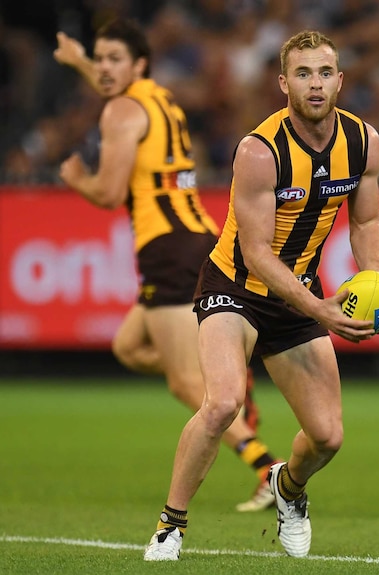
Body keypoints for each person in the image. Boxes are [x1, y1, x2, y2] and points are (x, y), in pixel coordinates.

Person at [142, 29, 379, 561]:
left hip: (298, 291)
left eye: (325, 72)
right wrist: (321, 310)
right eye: (303, 74)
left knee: (327, 437)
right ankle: (171, 526)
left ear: (341, 80)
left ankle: (288, 489)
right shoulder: (260, 150)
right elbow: (256, 252)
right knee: (223, 404)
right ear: (283, 83)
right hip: (235, 287)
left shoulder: (363, 141)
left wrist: (375, 280)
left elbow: (367, 220)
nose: (316, 84)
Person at [54, 19, 282, 513]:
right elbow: (116, 87)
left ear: (137, 65)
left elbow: (110, 192)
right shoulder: (157, 96)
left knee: (184, 383)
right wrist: (79, 63)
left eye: (115, 59)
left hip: (167, 249)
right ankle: (227, 373)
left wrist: (75, 178)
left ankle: (269, 469)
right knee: (129, 346)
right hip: (198, 234)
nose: (105, 69)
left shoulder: (120, 110)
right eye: (101, 59)